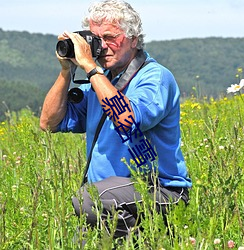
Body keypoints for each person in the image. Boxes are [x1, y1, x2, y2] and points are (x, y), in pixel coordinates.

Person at [40, 0, 192, 244]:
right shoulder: (99, 83)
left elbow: (126, 120)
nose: (102, 47)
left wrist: (90, 67)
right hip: (110, 199)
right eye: (96, 39)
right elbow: (49, 123)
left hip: (160, 191)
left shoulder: (154, 77)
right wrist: (66, 70)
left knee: (88, 199)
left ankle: (146, 241)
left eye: (110, 37)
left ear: (133, 39)